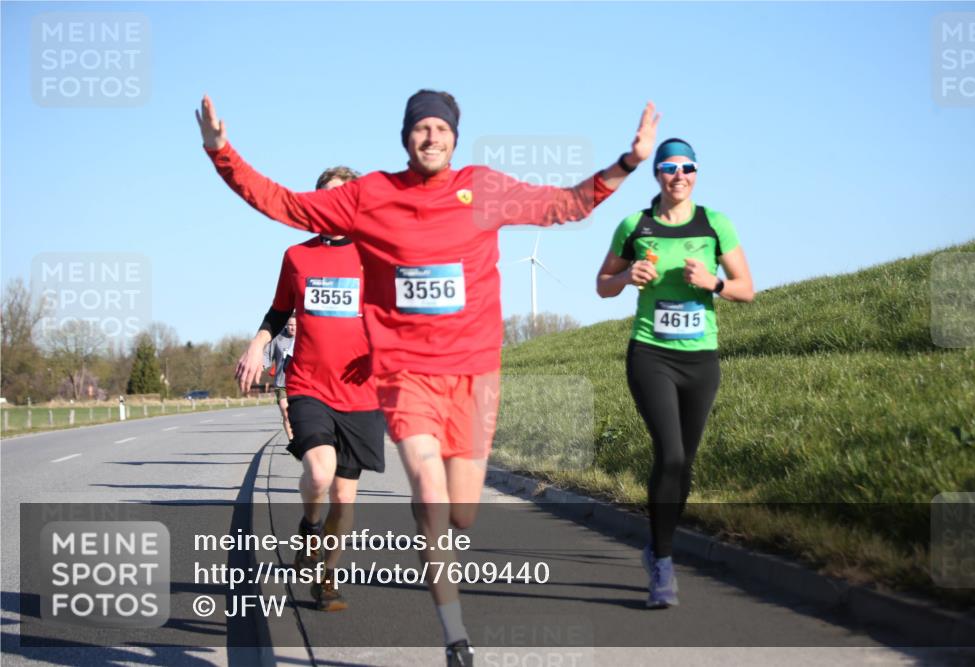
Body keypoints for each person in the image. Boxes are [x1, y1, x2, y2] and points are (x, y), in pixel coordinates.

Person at [200, 90, 658, 665]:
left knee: (462, 511)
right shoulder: (370, 196)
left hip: (473, 374)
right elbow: (284, 204)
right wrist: (223, 152)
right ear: (405, 137)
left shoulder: (483, 189)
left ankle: (437, 540)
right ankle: (455, 637)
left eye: (442, 127)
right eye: (421, 128)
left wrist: (627, 163)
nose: (432, 136)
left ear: (455, 138)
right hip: (404, 373)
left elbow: (565, 205)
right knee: (428, 490)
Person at [595, 138, 754, 608]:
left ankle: (657, 544)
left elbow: (747, 288)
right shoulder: (635, 225)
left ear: (697, 174)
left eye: (687, 167)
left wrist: (715, 283)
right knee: (669, 454)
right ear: (657, 175)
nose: (679, 175)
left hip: (701, 360)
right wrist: (627, 279)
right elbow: (602, 285)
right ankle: (663, 563)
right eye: (669, 167)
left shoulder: (714, 224)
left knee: (684, 461)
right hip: (651, 354)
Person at [234, 166, 385, 612]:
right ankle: (308, 526)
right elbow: (279, 311)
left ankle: (326, 578)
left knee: (344, 497)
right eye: (321, 199)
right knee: (319, 474)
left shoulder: (374, 256)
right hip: (309, 385)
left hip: (361, 393)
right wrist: (256, 345)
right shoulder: (297, 257)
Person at [261, 313, 296, 442]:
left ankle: (300, 435)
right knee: (285, 412)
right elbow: (267, 356)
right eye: (290, 325)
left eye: (295, 325)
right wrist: (260, 366)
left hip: (299, 383)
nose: (292, 328)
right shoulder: (278, 338)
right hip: (282, 382)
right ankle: (292, 440)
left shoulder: (304, 337)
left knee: (299, 414)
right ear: (286, 325)